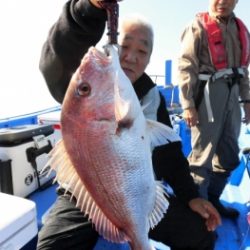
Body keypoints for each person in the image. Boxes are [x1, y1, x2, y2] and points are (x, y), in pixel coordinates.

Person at [37, 0, 221, 249]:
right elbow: (55, 62)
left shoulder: (152, 96)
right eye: (124, 46)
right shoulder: (91, 79)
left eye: (142, 52)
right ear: (112, 44)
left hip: (138, 195)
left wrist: (190, 196)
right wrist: (89, 8)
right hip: (83, 192)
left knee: (201, 235)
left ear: (148, 60)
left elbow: (170, 156)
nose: (131, 57)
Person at [177, 0, 250, 219]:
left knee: (229, 157)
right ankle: (200, 217)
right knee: (201, 158)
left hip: (233, 98)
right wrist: (188, 104)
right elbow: (186, 65)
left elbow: (244, 70)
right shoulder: (197, 25)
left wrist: (247, 100)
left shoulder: (241, 29)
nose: (223, 2)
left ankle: (211, 199)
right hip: (207, 97)